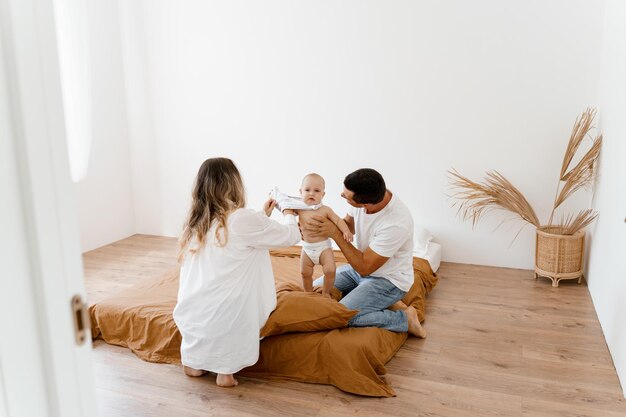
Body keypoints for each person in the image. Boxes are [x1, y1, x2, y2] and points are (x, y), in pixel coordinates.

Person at [173, 157, 301, 388]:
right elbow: (291, 236)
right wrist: (290, 212)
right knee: (233, 304)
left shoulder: (196, 221)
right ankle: (226, 372)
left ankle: (194, 363)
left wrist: (263, 214)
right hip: (227, 313)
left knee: (210, 302)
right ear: (234, 184)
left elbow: (238, 235)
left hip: (193, 310)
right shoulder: (241, 218)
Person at [304, 168, 426, 338]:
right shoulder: (368, 195)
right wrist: (317, 226)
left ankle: (404, 318)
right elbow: (349, 227)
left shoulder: (396, 223)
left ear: (365, 204)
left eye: (346, 196)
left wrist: (334, 232)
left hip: (388, 280)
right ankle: (378, 302)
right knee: (313, 293)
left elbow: (364, 268)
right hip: (357, 270)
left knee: (342, 316)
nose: (341, 195)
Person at [295, 173, 353, 297]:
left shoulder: (325, 210)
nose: (311, 193)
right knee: (305, 273)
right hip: (307, 248)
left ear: (323, 194)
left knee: (330, 270)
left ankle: (326, 292)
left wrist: (346, 231)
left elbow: (338, 221)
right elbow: (286, 211)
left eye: (316, 190)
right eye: (307, 190)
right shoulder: (298, 209)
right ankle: (308, 292)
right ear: (300, 192)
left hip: (323, 247)